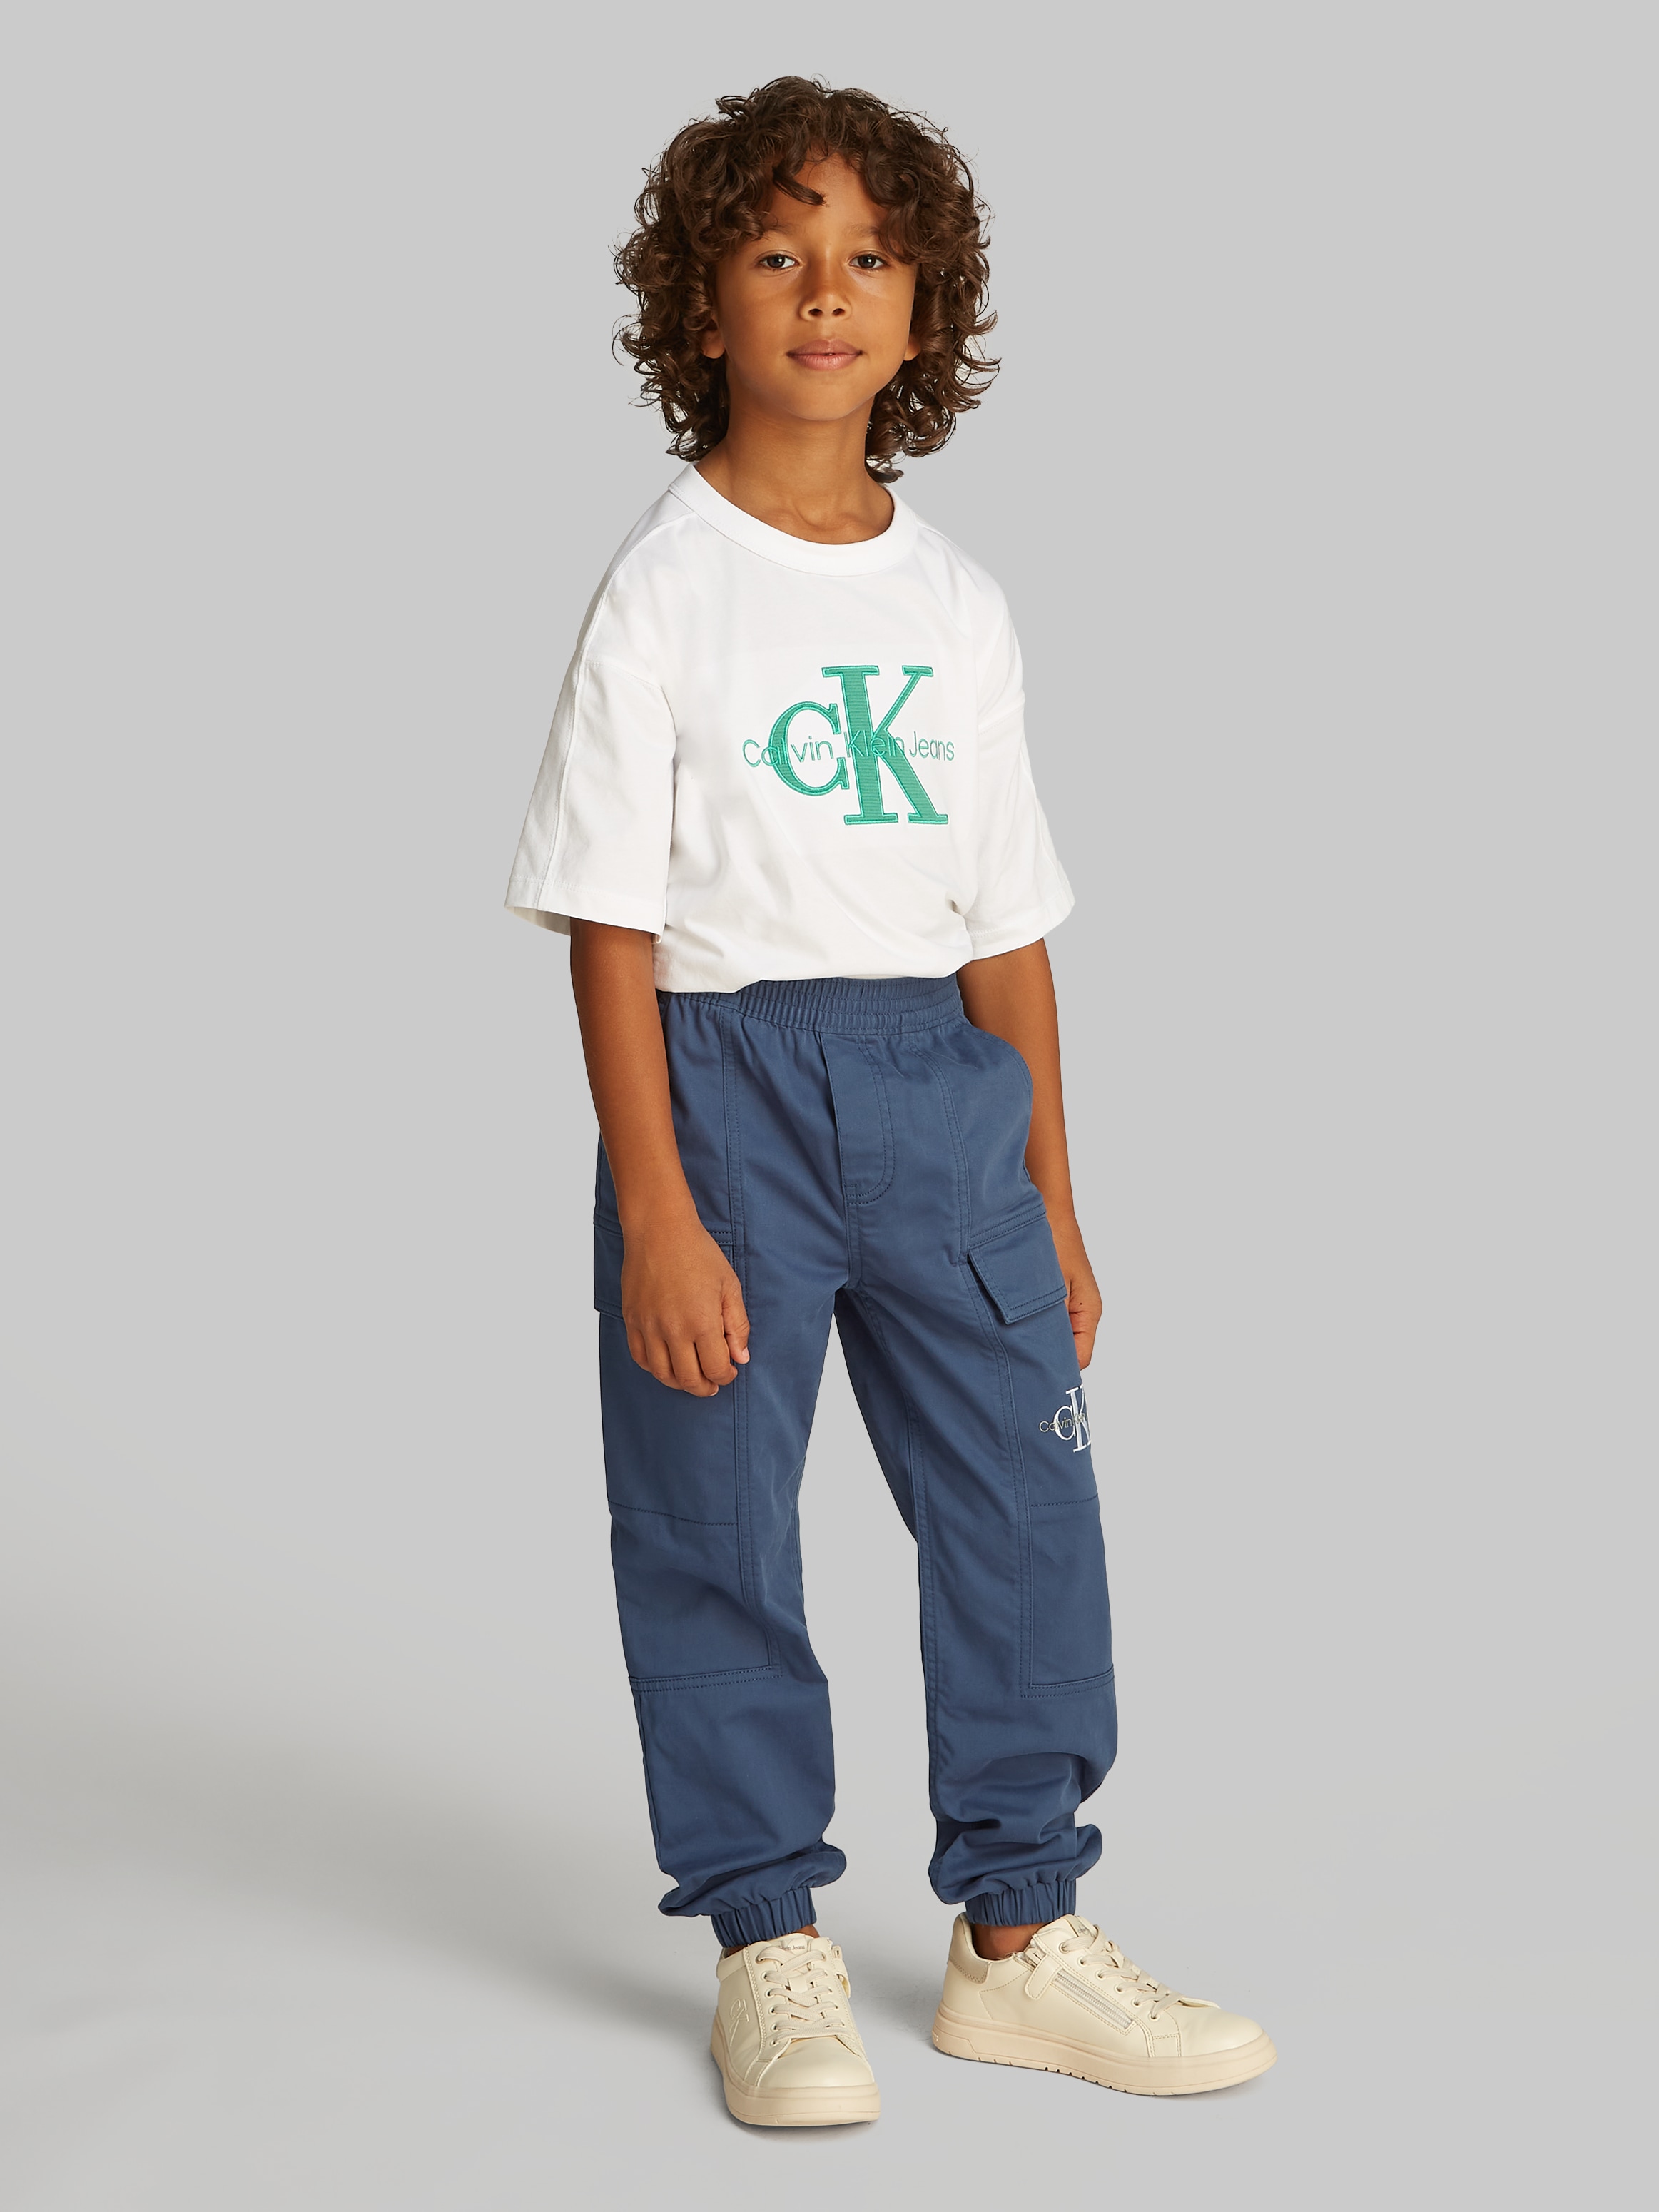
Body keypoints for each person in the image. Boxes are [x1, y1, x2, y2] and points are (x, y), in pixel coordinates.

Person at [507, 76, 1274, 2126]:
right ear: (704, 309)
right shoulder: (666, 584)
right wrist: (659, 1210)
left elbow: (1008, 929)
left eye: (868, 257)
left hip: (944, 1089)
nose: (826, 291)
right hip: (726, 1089)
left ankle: (1020, 1937)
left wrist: (1055, 1193)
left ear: (926, 310)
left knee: (1026, 1502)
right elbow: (606, 925)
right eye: (778, 254)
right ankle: (768, 1936)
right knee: (715, 1521)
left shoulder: (957, 602)